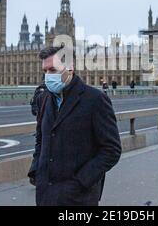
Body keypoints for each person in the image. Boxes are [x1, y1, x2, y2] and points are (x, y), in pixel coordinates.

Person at [28, 46, 122, 206]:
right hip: (46, 195)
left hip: (78, 197)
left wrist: (81, 182)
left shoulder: (95, 99)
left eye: (53, 70)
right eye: (45, 71)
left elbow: (112, 150)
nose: (47, 76)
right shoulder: (44, 99)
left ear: (70, 67)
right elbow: (41, 139)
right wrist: (36, 171)